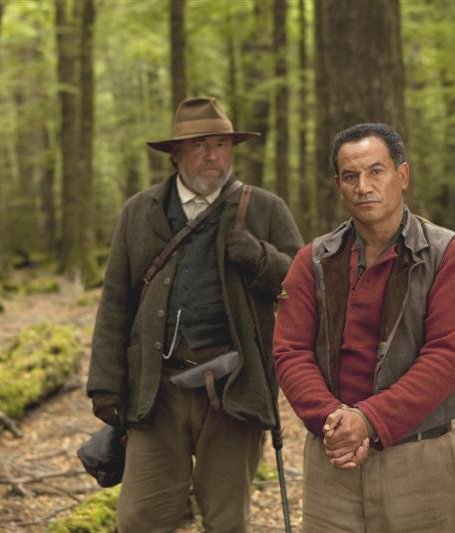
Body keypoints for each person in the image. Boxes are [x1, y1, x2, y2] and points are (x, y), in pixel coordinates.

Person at [87, 97, 303, 532]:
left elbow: (301, 286)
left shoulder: (265, 209)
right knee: (140, 519)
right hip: (156, 391)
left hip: (233, 388)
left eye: (221, 144)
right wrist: (106, 383)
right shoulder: (139, 211)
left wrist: (258, 256)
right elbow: (115, 302)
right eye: (200, 144)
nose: (212, 155)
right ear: (176, 153)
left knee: (226, 520)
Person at [273, 123, 455, 532]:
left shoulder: (448, 256)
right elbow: (290, 351)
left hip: (419, 460)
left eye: (376, 171)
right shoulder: (313, 261)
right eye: (350, 176)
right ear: (339, 185)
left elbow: (447, 358)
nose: (363, 187)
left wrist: (369, 420)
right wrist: (333, 418)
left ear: (402, 175)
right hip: (333, 459)